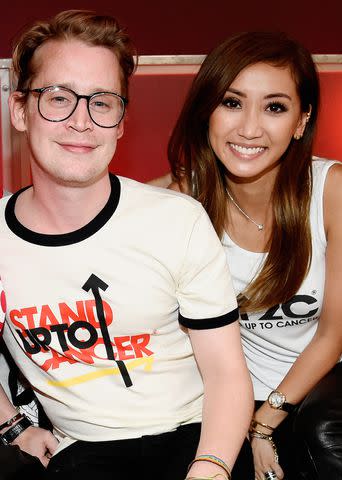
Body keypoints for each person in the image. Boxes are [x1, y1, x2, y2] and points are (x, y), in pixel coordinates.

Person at [0, 10, 254, 480]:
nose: (81, 122)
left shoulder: (176, 220)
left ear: (120, 121)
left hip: (198, 441)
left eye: (102, 102)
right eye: (58, 98)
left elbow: (227, 374)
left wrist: (211, 468)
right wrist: (12, 426)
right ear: (19, 110)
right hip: (84, 453)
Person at [167, 31, 342, 480]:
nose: (249, 128)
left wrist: (263, 425)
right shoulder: (179, 202)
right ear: (207, 108)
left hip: (322, 387)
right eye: (231, 102)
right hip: (230, 394)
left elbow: (334, 334)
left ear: (301, 121)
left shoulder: (332, 192)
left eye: (275, 107)